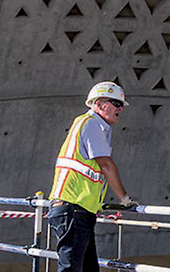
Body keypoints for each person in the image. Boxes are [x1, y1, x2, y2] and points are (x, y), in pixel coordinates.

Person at [49, 81, 138, 272]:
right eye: (116, 104)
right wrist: (124, 199)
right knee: (71, 269)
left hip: (79, 211)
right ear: (99, 104)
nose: (120, 109)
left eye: (121, 105)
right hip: (74, 209)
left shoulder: (93, 126)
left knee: (87, 269)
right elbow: (105, 164)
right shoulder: (91, 125)